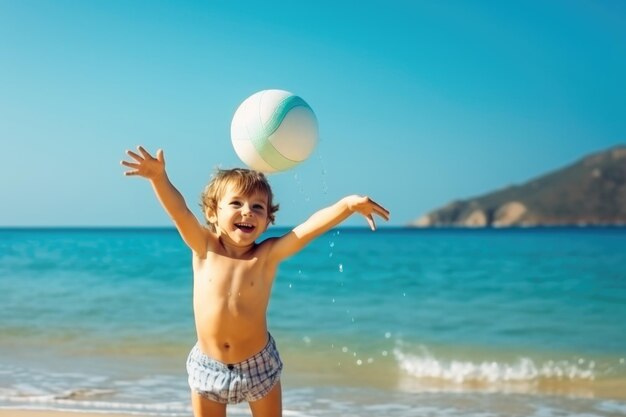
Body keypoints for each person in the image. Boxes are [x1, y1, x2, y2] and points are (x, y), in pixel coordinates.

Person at [120, 146, 390, 417]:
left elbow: (307, 229)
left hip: (257, 364)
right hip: (208, 365)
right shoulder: (204, 247)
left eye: (257, 207)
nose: (247, 211)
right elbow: (180, 212)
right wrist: (159, 178)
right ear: (213, 213)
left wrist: (347, 205)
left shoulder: (266, 255)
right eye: (236, 203)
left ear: (268, 220)